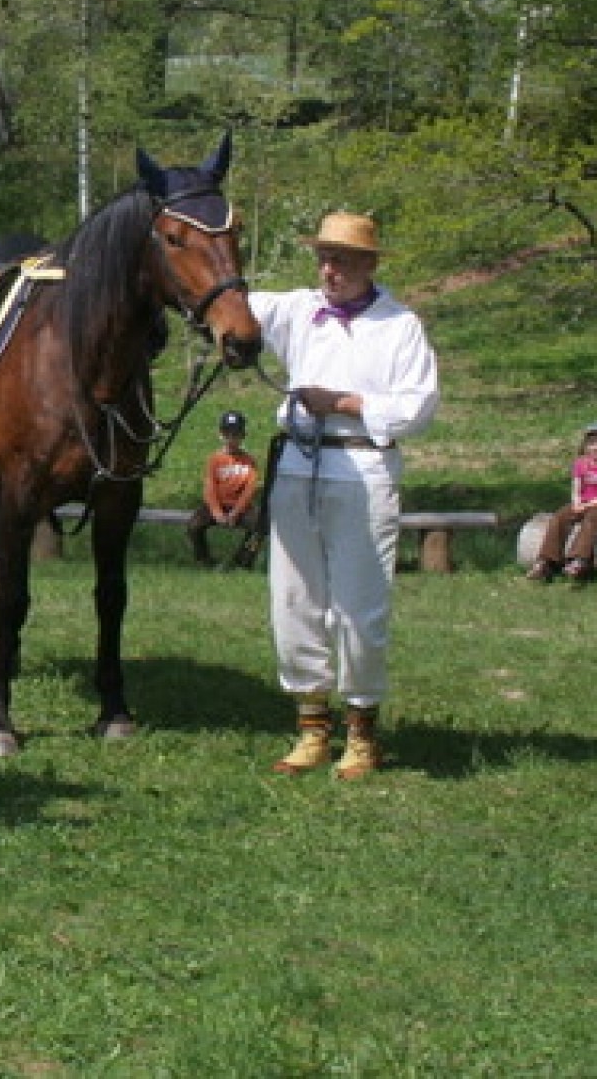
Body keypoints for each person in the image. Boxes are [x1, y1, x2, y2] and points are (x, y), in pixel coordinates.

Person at [248, 212, 440, 780]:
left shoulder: (399, 324)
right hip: (298, 466)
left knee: (359, 605)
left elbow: (418, 405)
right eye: (325, 258)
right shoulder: (298, 309)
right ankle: (311, 727)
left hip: (363, 465)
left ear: (370, 264)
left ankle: (362, 731)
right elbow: (224, 299)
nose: (330, 269)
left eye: (343, 259)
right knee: (293, 599)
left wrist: (344, 402)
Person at [527, 423, 597, 583]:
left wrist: (586, 506)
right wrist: (576, 502)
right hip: (583, 501)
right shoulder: (581, 463)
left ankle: (579, 559)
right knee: (559, 517)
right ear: (585, 445)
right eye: (592, 443)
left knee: (591, 520)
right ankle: (546, 560)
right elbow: (576, 486)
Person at [187, 410, 261, 568]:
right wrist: (216, 512)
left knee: (259, 527)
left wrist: (236, 512)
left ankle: (243, 559)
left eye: (236, 435)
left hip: (240, 508)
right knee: (194, 525)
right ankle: (204, 559)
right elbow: (209, 487)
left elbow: (249, 489)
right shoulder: (215, 459)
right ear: (221, 435)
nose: (231, 439)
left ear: (243, 436)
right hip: (219, 505)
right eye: (227, 434)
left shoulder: (249, 461)